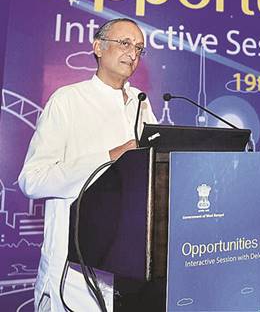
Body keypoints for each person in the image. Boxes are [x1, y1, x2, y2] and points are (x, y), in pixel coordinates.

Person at [18, 18, 157, 312]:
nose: (133, 53)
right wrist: (108, 157)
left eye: (140, 48)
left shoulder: (141, 104)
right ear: (98, 47)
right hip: (73, 279)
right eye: (125, 43)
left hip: (128, 275)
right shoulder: (67, 101)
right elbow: (32, 179)